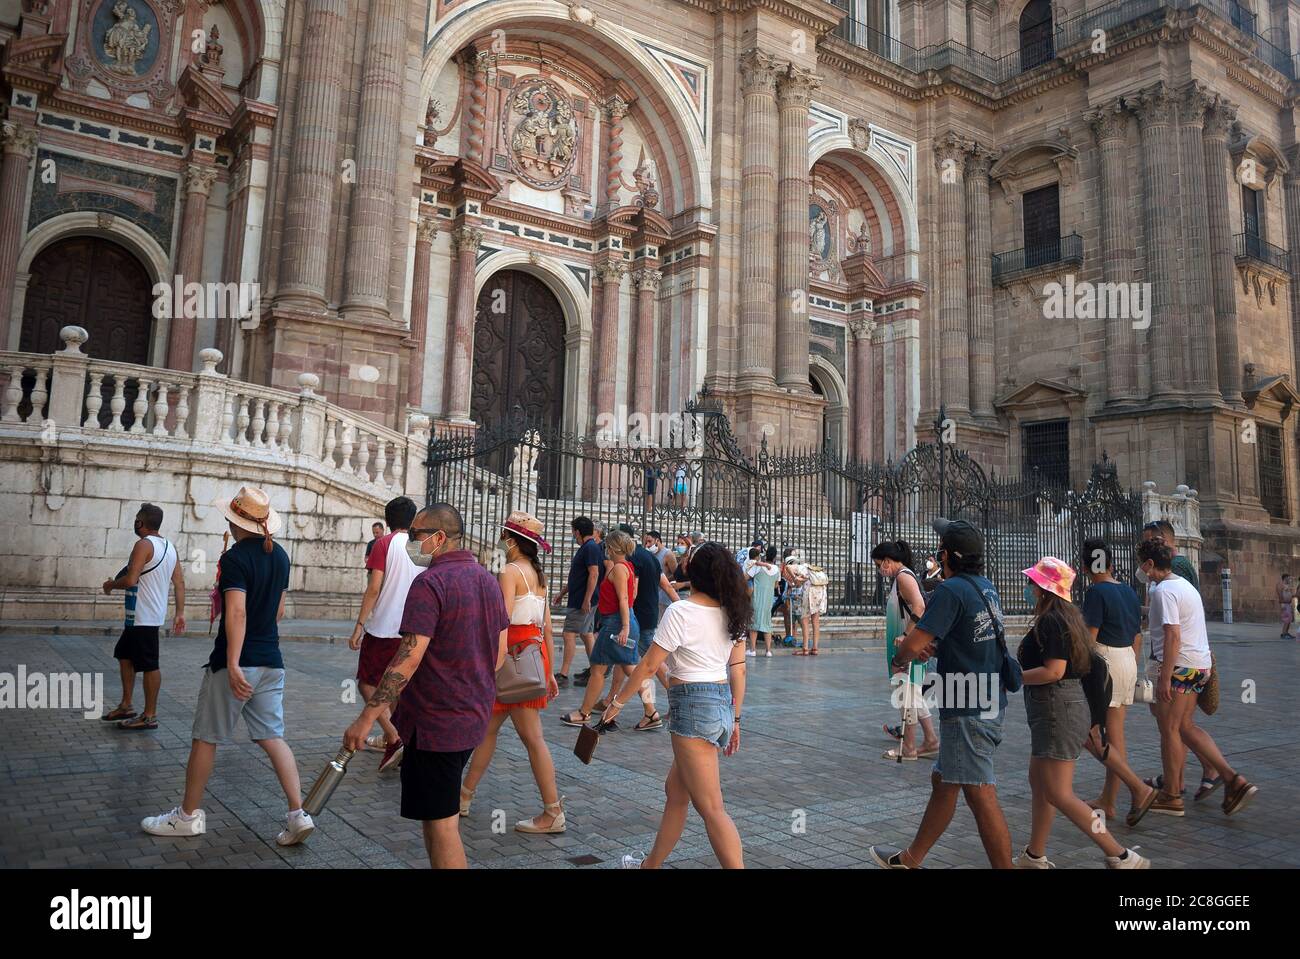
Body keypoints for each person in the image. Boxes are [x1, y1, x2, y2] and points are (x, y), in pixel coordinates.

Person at [142, 486, 312, 845]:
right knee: (273, 737)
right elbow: (278, 612)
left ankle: (187, 817)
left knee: (206, 738)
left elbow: (236, 610)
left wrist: (233, 662)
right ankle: (298, 813)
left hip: (236, 663)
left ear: (236, 522)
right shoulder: (281, 556)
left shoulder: (236, 558)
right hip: (272, 661)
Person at [343, 504, 509, 869]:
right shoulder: (486, 579)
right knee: (436, 819)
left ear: (438, 538)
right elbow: (500, 650)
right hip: (471, 716)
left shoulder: (430, 583)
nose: (409, 542)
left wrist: (367, 717)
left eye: (416, 535)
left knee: (443, 824)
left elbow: (408, 658)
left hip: (436, 724)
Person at [868, 518, 1014, 869]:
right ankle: (910, 859)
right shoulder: (985, 586)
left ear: (946, 555)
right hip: (986, 695)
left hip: (968, 704)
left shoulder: (951, 590)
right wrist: (935, 646)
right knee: (943, 780)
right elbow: (966, 637)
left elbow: (914, 642)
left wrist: (903, 652)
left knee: (980, 791)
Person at [605, 542, 748, 868]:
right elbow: (737, 669)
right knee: (676, 792)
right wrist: (736, 719)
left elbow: (649, 667)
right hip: (720, 705)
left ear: (693, 574)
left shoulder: (681, 611)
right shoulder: (732, 610)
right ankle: (648, 865)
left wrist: (617, 702)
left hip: (695, 710)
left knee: (712, 808)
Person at [1014, 556, 1150, 870]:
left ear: (1042, 588)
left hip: (1056, 708)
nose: (1028, 587)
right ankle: (1034, 855)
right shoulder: (1069, 617)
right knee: (1039, 782)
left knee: (1061, 794)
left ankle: (1120, 853)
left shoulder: (1053, 621)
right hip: (1057, 708)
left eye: (1032, 583)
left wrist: (1015, 676)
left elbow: (1054, 671)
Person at [460, 512, 566, 833]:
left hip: (512, 658)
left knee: (530, 738)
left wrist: (494, 661)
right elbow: (546, 625)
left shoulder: (509, 571)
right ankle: (463, 796)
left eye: (505, 534)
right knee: (490, 730)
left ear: (511, 538)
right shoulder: (537, 572)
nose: (502, 538)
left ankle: (552, 812)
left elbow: (502, 620)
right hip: (533, 656)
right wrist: (548, 672)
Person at [1138, 538, 1258, 819]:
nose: (1140, 569)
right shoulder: (1183, 585)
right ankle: (1231, 780)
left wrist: (1165, 677)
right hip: (1199, 665)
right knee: (1185, 727)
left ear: (1150, 564)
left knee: (1169, 730)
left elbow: (1173, 634)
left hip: (1180, 666)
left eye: (1141, 563)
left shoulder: (1164, 590)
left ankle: (1172, 795)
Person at [1078, 538, 1156, 827]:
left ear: (1086, 566)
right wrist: (1131, 666)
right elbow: (1137, 633)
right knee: (1116, 735)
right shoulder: (1127, 591)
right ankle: (1109, 801)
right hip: (1127, 658)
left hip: (1105, 661)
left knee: (1092, 734)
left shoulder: (1095, 593)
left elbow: (1091, 637)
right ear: (1111, 563)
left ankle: (1138, 788)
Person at [346, 495, 421, 772]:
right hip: (414, 628)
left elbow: (374, 588)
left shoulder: (384, 544)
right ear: (413, 520)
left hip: (384, 628)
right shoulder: (420, 547)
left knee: (366, 683)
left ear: (388, 521)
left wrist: (359, 624)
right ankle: (401, 738)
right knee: (400, 685)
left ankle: (393, 735)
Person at [102, 503, 185, 730]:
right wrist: (179, 613)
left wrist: (110, 585)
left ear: (142, 522)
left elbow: (130, 580)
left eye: (137, 518)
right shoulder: (169, 547)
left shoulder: (143, 544)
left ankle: (149, 716)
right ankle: (126, 705)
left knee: (150, 665)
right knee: (124, 655)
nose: (135, 522)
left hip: (143, 616)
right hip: (145, 616)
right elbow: (179, 582)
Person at [602, 523, 679, 730]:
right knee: (625, 661)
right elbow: (665, 584)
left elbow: (631, 592)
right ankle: (612, 698)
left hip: (638, 617)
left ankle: (671, 702)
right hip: (648, 614)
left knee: (652, 664)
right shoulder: (650, 557)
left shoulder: (632, 559)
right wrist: (680, 604)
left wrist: (625, 621)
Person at [561, 529, 640, 727]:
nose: (604, 548)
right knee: (633, 670)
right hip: (617, 620)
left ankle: (584, 712)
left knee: (598, 669)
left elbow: (623, 599)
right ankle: (651, 710)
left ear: (612, 547)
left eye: (606, 545)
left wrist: (624, 627)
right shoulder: (626, 566)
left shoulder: (620, 569)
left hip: (615, 623)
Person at [872, 539, 938, 761]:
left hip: (907, 645)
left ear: (888, 561)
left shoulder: (903, 576)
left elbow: (920, 606)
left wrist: (906, 635)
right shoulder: (903, 576)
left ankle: (908, 747)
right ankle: (930, 740)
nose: (879, 569)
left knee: (906, 694)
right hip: (906, 644)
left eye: (879, 564)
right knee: (912, 693)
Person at [553, 516, 601, 688]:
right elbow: (577, 577)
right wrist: (562, 593)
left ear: (578, 532)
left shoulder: (590, 548)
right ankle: (595, 671)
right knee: (586, 634)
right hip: (580, 598)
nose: (573, 535)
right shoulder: (586, 548)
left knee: (569, 634)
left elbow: (593, 574)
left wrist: (587, 599)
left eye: (573, 531)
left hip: (582, 600)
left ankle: (563, 674)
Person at [748, 546, 780, 657]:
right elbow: (776, 585)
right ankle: (768, 651)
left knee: (754, 624)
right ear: (775, 557)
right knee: (767, 624)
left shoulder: (758, 567)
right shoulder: (776, 569)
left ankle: (752, 650)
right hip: (768, 600)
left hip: (756, 598)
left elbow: (745, 577)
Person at [1278, 573, 1295, 639]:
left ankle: (1286, 633)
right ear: (1285, 578)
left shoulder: (1286, 585)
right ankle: (1284, 634)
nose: (1290, 579)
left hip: (1288, 604)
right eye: (1289, 578)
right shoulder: (1281, 585)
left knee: (1289, 619)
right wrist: (1282, 603)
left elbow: (1288, 594)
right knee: (1287, 619)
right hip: (1284, 604)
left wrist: (1293, 596)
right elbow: (1280, 594)